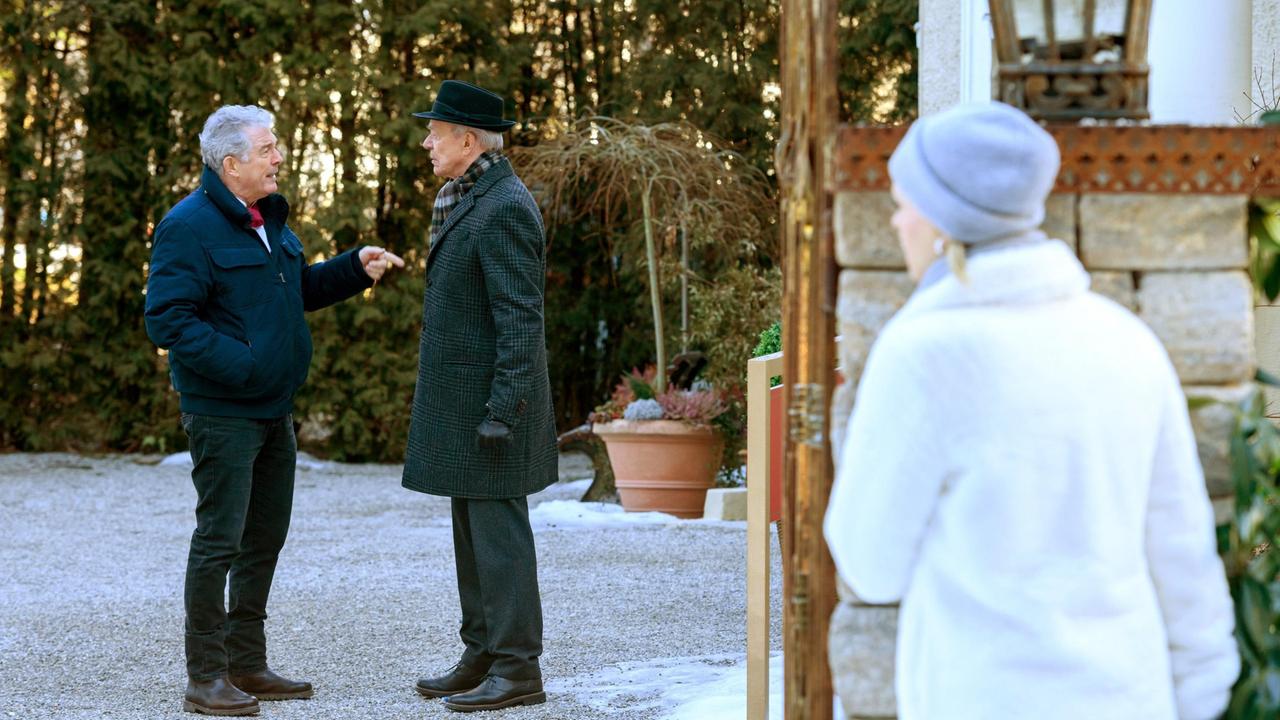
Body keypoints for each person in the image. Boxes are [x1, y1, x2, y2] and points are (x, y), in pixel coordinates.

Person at [823, 102, 1238, 720]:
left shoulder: (922, 355)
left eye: (904, 201)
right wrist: (1201, 697)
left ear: (943, 221)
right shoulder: (1126, 341)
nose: (895, 221)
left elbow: (870, 565)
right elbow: (1182, 553)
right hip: (1128, 698)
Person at [144, 104, 403, 716]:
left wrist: (350, 269)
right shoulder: (187, 226)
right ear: (231, 163)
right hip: (223, 412)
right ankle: (205, 675)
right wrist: (245, 366)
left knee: (264, 539)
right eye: (268, 149)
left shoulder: (268, 220)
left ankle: (246, 663)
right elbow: (168, 319)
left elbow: (291, 295)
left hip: (273, 410)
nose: (279, 157)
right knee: (220, 540)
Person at [401, 80, 557, 713]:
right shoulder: (467, 196)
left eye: (435, 132)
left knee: (500, 538)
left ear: (467, 139)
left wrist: (505, 410)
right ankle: (483, 652)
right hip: (467, 405)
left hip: (494, 407)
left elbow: (521, 319)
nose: (426, 141)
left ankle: (519, 667)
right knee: (471, 533)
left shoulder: (505, 206)